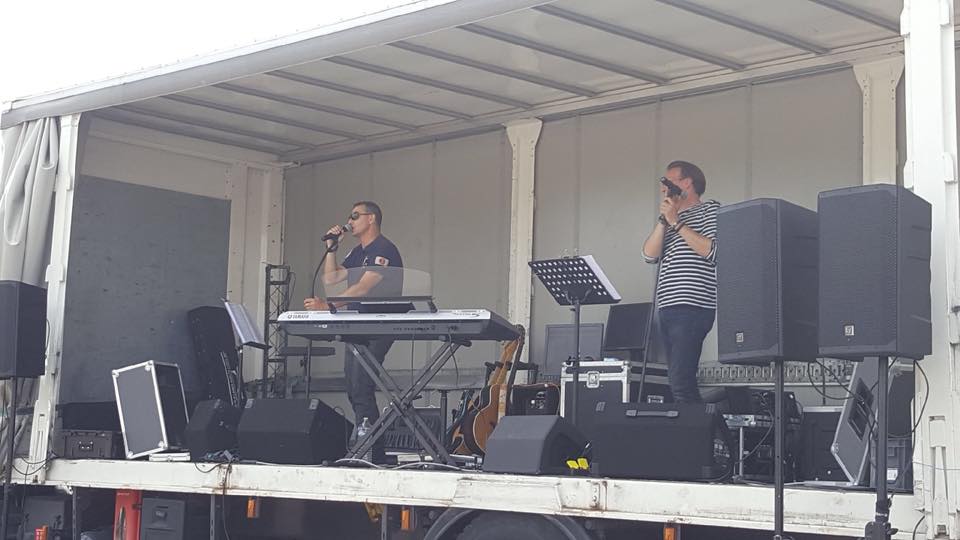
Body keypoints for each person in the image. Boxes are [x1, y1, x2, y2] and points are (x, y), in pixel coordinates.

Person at [304, 201, 403, 459]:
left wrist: (327, 306)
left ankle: (370, 450)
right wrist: (331, 249)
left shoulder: (384, 248)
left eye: (355, 216)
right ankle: (369, 447)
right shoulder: (357, 252)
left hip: (379, 325)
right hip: (358, 325)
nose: (350, 220)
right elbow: (331, 278)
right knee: (353, 385)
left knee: (361, 384)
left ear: (371, 219)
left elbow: (363, 288)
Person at [642, 161, 719, 403]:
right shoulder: (669, 218)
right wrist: (665, 220)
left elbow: (713, 250)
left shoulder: (710, 210)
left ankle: (702, 427)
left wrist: (677, 222)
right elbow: (649, 255)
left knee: (680, 381)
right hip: (667, 308)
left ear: (687, 183)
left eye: (669, 181)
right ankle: (700, 424)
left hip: (693, 306)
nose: (663, 188)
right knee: (677, 380)